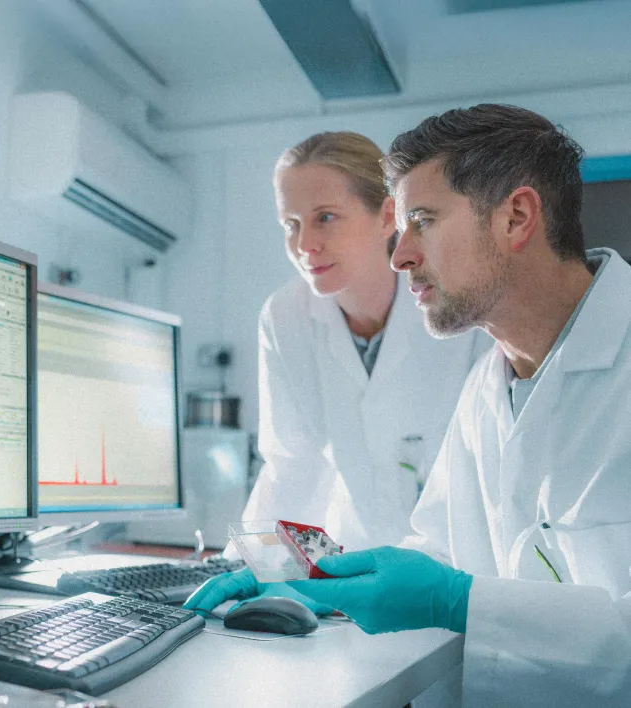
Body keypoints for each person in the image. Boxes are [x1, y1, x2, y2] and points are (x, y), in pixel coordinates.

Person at [191, 104, 631, 706]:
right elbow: (438, 550)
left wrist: (456, 599)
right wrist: (310, 582)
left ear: (516, 217)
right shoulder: (488, 386)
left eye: (422, 220)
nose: (400, 256)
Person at [208, 132, 487, 615]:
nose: (304, 245)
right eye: (290, 224)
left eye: (325, 218)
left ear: (386, 216)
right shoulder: (285, 316)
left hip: (458, 575)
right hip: (354, 565)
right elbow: (292, 467)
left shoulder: (455, 309)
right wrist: (262, 572)